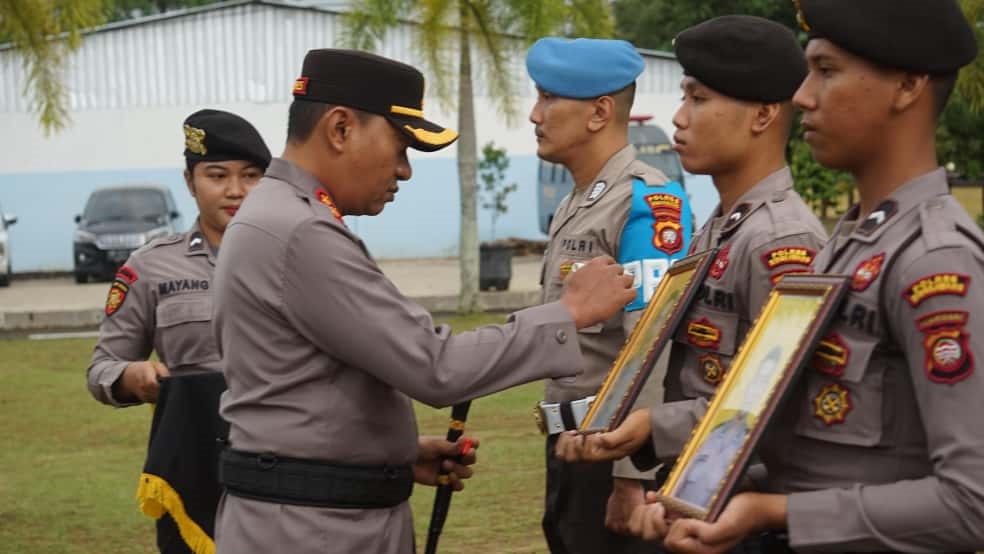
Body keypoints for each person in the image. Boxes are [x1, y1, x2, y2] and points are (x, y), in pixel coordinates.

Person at [210, 48, 639, 554]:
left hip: (311, 514)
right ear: (341, 129)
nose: (405, 170)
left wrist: (387, 456)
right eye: (400, 144)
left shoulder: (280, 215)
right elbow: (437, 367)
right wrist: (568, 314)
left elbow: (300, 388)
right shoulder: (300, 231)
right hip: (315, 528)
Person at [658, 1, 984, 552]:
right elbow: (808, 448)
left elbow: (972, 504)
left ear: (906, 86)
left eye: (826, 71)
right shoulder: (850, 244)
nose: (803, 95)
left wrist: (776, 511)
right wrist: (719, 498)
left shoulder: (936, 261)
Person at [553, 14, 826, 541]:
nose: (679, 118)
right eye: (684, 98)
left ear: (764, 115)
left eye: (698, 100)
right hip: (702, 493)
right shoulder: (722, 227)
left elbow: (776, 399)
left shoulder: (778, 242)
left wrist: (652, 426)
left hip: (745, 514)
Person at [525, 36, 695, 553]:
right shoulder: (579, 201)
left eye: (548, 98)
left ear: (599, 112)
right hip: (571, 447)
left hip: (613, 456)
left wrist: (631, 477)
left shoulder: (648, 203)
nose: (535, 114)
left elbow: (652, 339)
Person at [85, 109, 272, 552]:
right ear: (190, 182)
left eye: (250, 176)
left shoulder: (298, 255)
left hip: (287, 463)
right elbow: (102, 368)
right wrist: (133, 378)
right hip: (195, 467)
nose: (235, 190)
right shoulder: (150, 267)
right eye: (217, 175)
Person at [672, 346, 781, 510]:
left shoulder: (765, 435)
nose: (755, 388)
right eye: (754, 380)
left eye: (764, 382)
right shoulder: (717, 428)